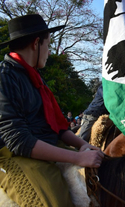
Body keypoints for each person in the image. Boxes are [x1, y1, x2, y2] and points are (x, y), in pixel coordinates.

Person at [0, 14, 104, 207]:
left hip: (48, 143)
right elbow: (17, 139)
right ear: (37, 43)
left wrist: (84, 146)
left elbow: (59, 127)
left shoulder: (36, 77)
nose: (48, 52)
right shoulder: (5, 76)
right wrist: (77, 157)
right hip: (15, 153)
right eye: (48, 45)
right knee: (54, 202)